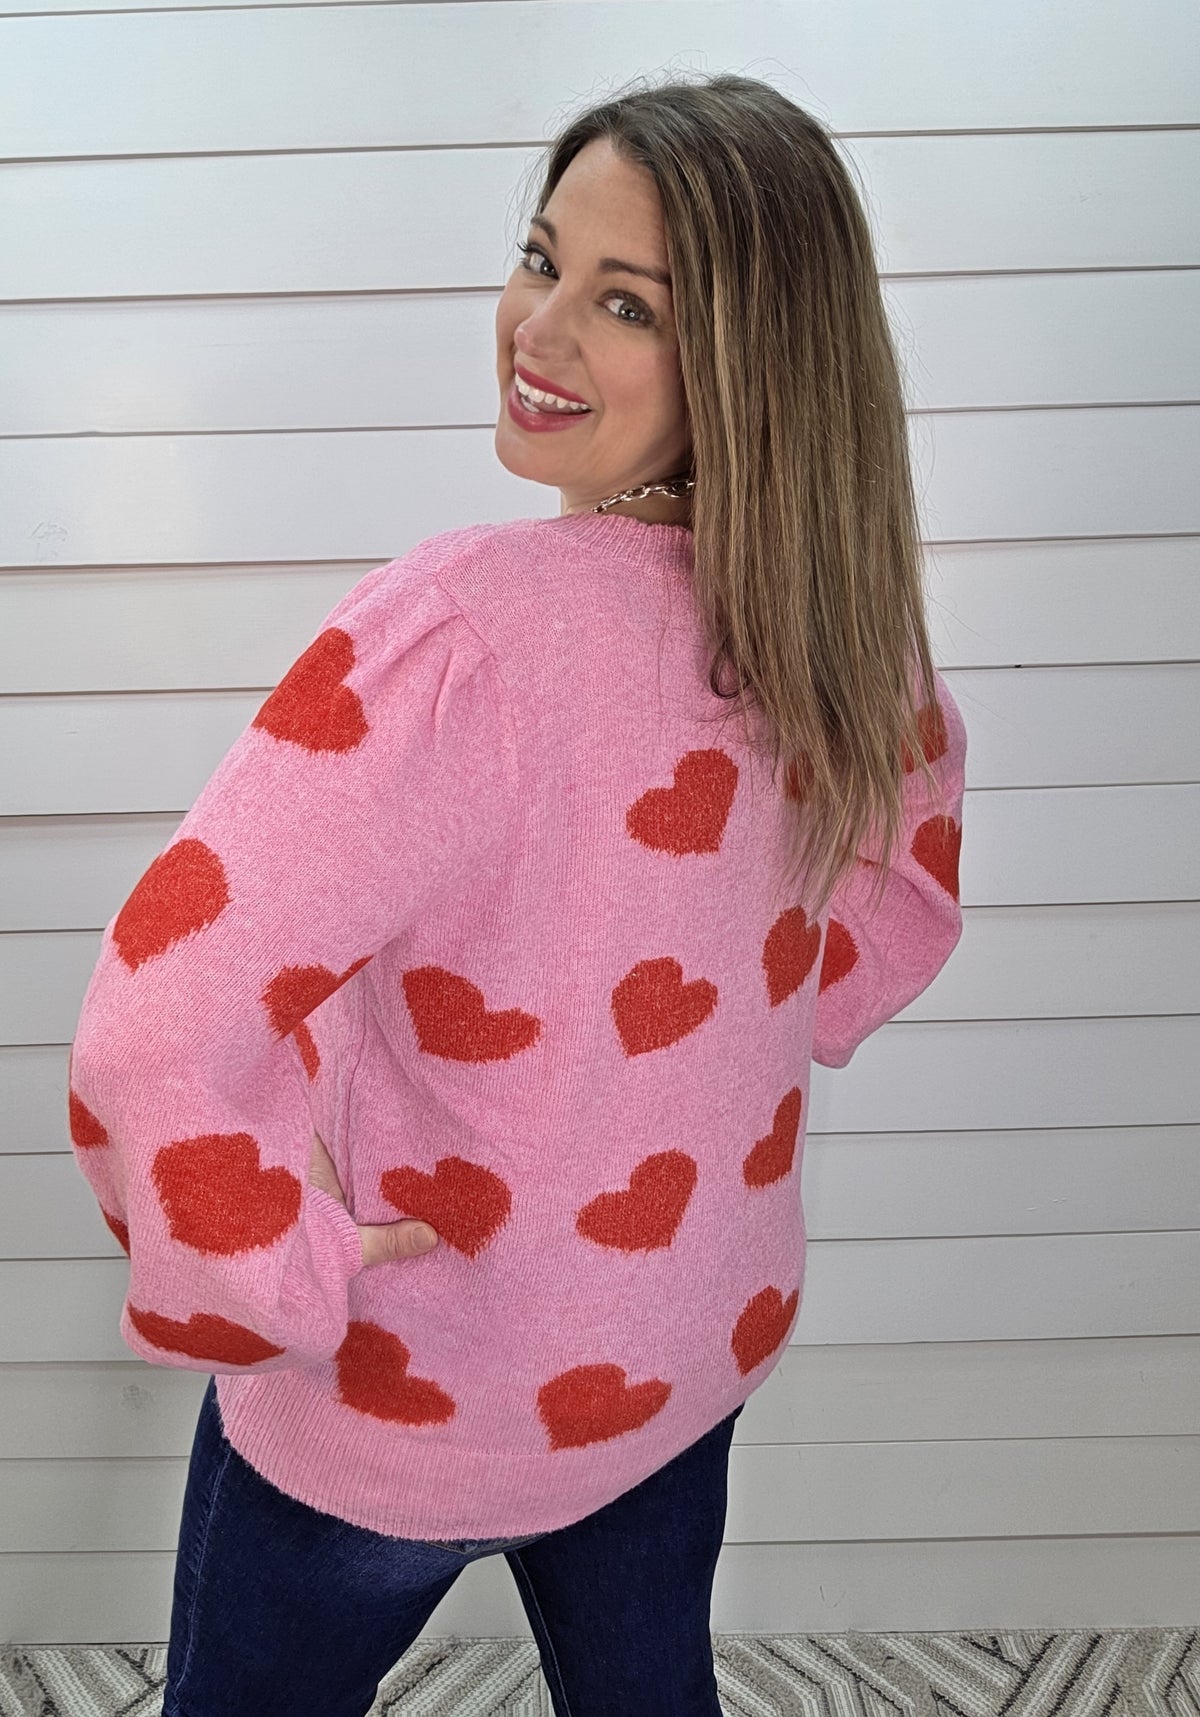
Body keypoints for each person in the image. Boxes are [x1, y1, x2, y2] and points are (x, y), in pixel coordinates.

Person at [67, 72, 967, 1717]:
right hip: (676, 1347)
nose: (535, 329)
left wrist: (265, 1261)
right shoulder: (845, 623)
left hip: (407, 1391)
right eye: (542, 258)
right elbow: (885, 908)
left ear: (752, 360)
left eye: (626, 303)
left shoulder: (464, 637)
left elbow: (157, 1016)